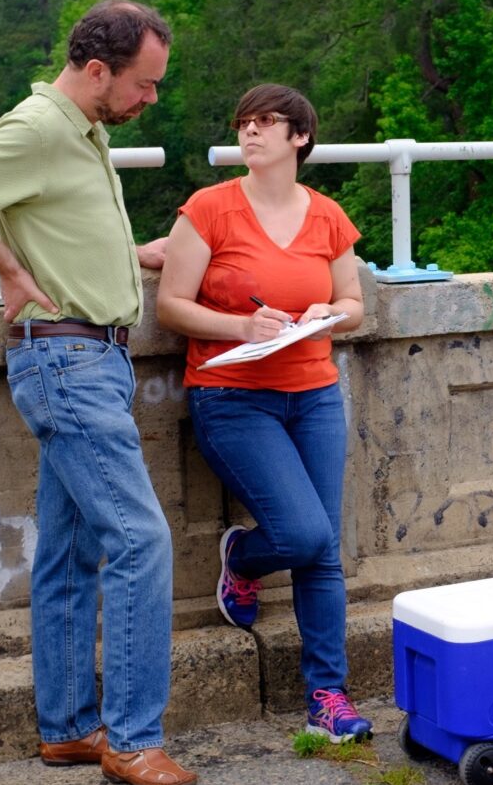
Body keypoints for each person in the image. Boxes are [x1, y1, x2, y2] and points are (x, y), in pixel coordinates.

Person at [0, 0, 195, 785]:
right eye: (145, 83)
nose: (151, 99)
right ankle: (133, 741)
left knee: (70, 555)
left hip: (87, 358)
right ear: (97, 70)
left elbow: (55, 227)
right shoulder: (37, 128)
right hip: (66, 365)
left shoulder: (85, 132)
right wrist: (6, 266)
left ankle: (68, 730)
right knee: (141, 541)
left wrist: (133, 255)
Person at [155, 84, 372, 743]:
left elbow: (355, 305)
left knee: (323, 551)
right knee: (305, 535)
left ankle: (327, 695)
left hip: (313, 393)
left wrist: (325, 314)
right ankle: (244, 558)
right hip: (231, 397)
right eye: (244, 122)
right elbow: (170, 304)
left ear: (299, 137)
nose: (251, 132)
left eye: (267, 122)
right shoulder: (209, 209)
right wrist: (239, 326)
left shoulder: (328, 217)